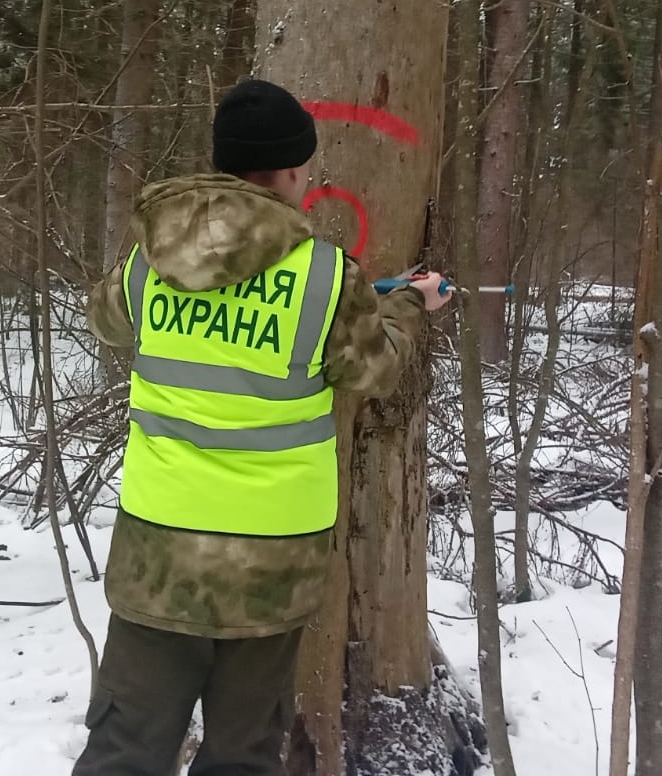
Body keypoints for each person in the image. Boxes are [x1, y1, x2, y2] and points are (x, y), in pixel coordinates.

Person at [74, 78, 451, 776]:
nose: (306, 181)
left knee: (124, 751)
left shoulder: (147, 263)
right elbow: (375, 373)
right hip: (272, 562)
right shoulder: (325, 277)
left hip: (158, 553)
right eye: (303, 169)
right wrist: (406, 308)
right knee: (244, 757)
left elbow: (105, 322)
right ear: (283, 172)